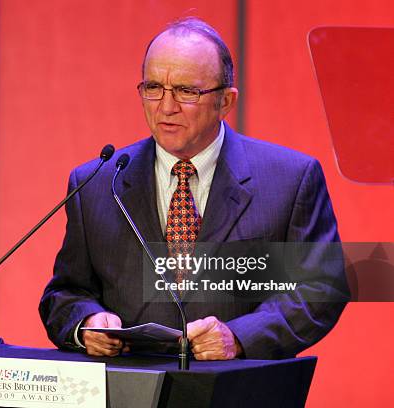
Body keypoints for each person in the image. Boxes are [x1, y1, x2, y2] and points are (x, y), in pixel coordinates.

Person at [39, 17, 349, 360]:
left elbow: (321, 287)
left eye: (187, 91)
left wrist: (241, 337)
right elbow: (66, 293)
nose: (166, 107)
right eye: (154, 88)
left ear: (226, 103)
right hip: (130, 389)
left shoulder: (289, 179)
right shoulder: (96, 182)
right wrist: (86, 325)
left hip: (241, 390)